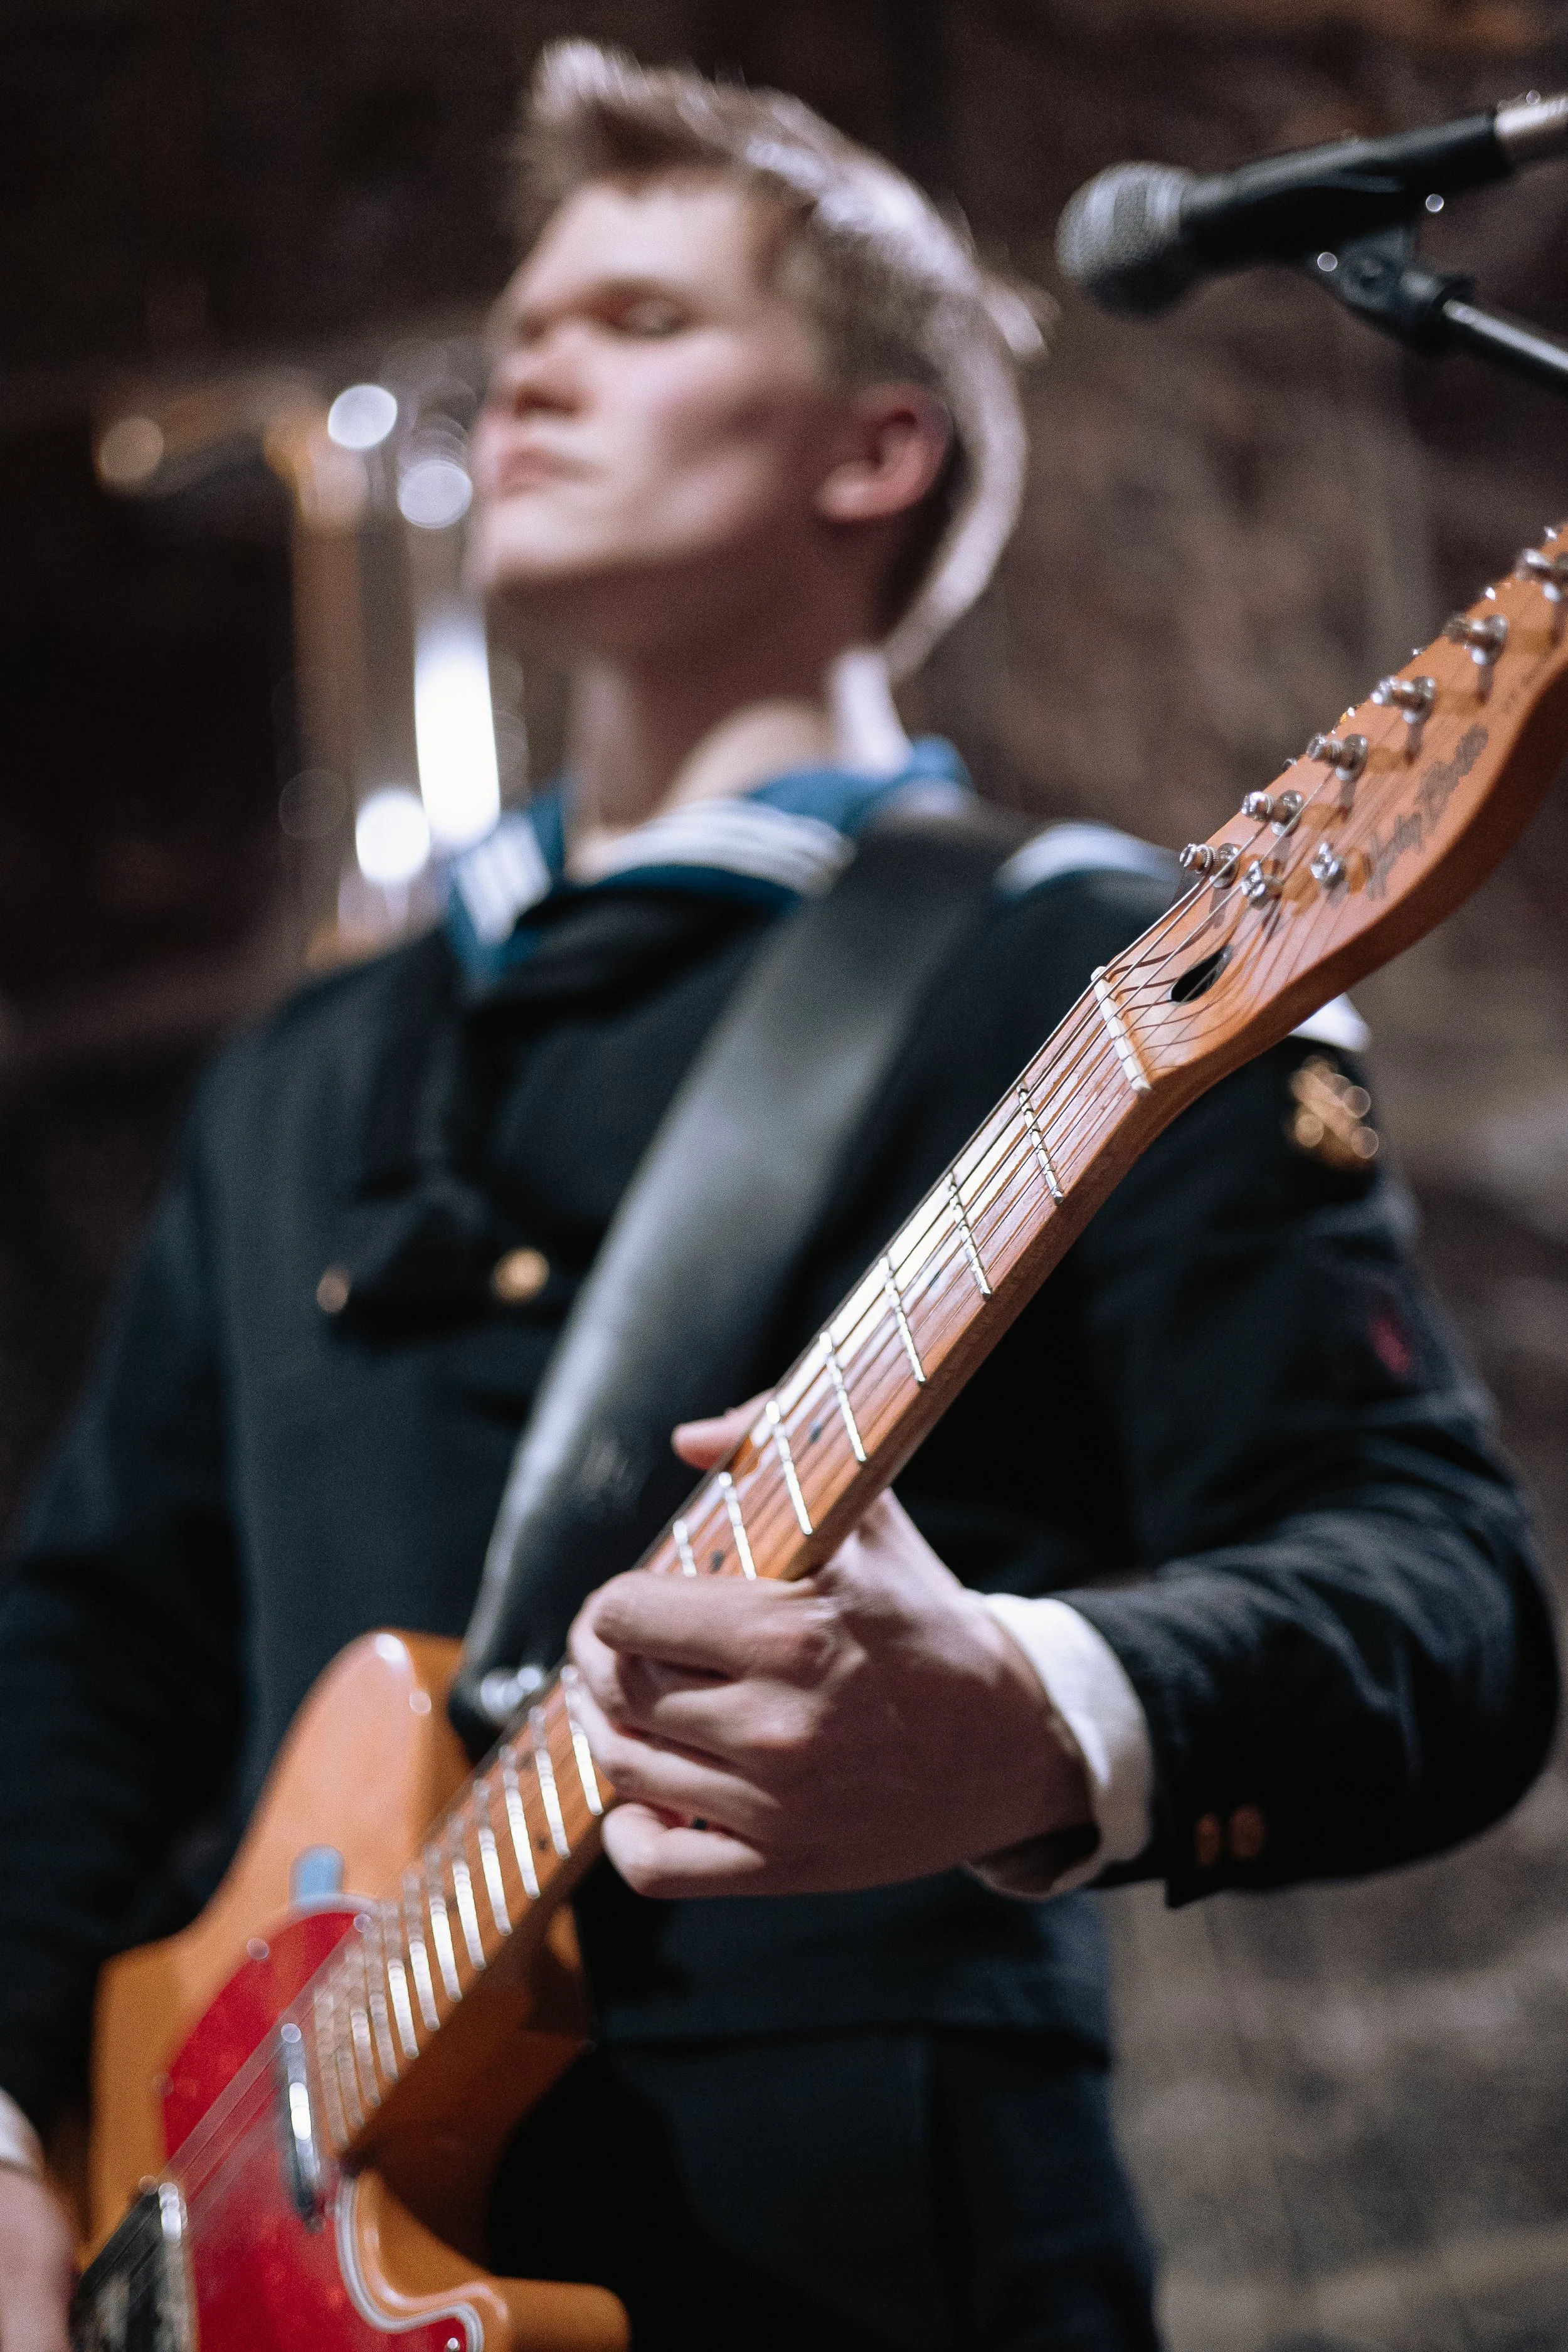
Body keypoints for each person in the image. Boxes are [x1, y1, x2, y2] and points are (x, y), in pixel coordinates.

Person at [0, 41, 1555, 2352]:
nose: (532, 359)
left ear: (872, 448)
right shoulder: (306, 1066)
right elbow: (96, 1645)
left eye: (639, 319)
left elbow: (1443, 1600)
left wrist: (1036, 1708)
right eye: (526, 320)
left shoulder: (1092, 959)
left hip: (851, 2261)